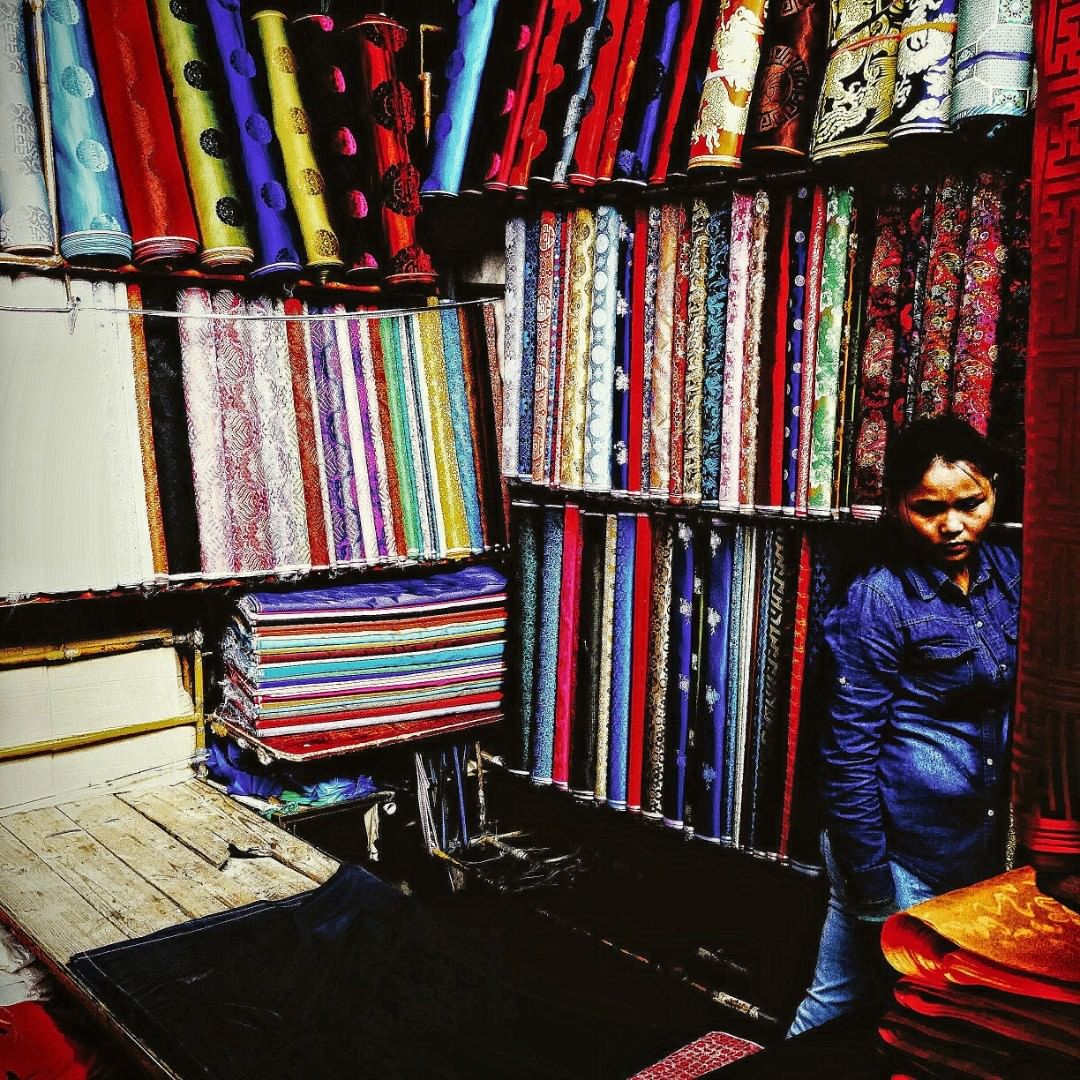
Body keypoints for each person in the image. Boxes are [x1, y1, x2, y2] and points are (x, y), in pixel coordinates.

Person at [788, 415, 1021, 1036]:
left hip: (970, 846)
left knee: (930, 1019)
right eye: (928, 509)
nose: (953, 525)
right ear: (898, 506)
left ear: (994, 490)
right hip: (895, 850)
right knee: (847, 1005)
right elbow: (847, 754)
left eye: (971, 503)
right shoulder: (880, 599)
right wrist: (871, 889)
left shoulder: (1009, 573)